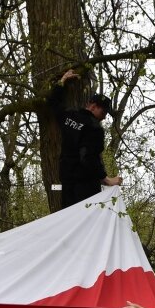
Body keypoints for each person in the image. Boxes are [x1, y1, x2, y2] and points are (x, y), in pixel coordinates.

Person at [48, 69, 122, 209]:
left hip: (67, 182)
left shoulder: (69, 116)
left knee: (69, 222)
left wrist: (62, 80)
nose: (105, 116)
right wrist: (106, 180)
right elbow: (89, 157)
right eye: (103, 111)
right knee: (88, 226)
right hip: (86, 187)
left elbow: (54, 103)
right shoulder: (95, 129)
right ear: (93, 106)